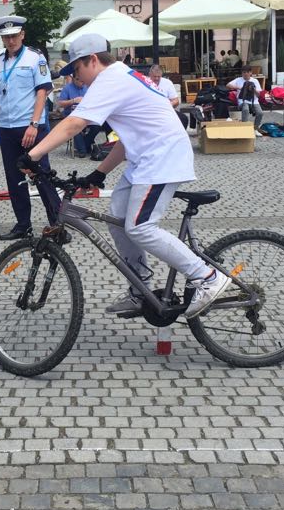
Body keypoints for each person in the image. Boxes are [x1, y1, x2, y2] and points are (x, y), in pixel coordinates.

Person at [21, 32, 232, 319]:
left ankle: (208, 278)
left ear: (93, 60)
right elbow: (126, 138)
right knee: (119, 219)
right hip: (145, 158)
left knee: (141, 227)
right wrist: (98, 173)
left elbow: (74, 124)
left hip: (161, 158)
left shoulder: (111, 80)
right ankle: (140, 290)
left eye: (77, 69)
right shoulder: (123, 76)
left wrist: (32, 155)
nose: (76, 78)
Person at [0, 14, 60, 240]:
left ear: (22, 35)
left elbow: (42, 91)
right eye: (6, 37)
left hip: (31, 127)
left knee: (42, 176)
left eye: (14, 36)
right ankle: (23, 225)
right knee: (14, 180)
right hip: (6, 128)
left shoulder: (35, 58)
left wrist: (34, 123)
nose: (11, 41)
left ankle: (58, 224)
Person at [57, 74, 99, 157]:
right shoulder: (67, 88)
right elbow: (60, 104)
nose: (82, 82)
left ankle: (84, 144)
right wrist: (73, 100)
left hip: (87, 114)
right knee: (76, 127)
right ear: (74, 79)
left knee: (97, 126)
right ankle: (83, 150)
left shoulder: (87, 86)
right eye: (80, 81)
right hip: (72, 115)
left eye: (83, 80)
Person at [148, 65, 190, 129]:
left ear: (161, 75)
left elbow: (176, 101)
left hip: (165, 110)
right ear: (150, 75)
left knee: (183, 119)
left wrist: (168, 105)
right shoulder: (144, 82)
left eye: (158, 77)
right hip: (150, 111)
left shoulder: (167, 83)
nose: (156, 78)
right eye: (154, 76)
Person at [227, 65, 264, 136]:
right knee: (245, 109)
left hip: (254, 101)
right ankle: (244, 129)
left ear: (250, 72)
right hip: (242, 101)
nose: (246, 74)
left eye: (247, 72)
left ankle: (255, 129)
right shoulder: (238, 79)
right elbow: (228, 85)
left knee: (260, 113)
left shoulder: (255, 81)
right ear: (242, 73)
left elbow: (259, 95)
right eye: (244, 72)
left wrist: (253, 90)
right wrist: (241, 88)